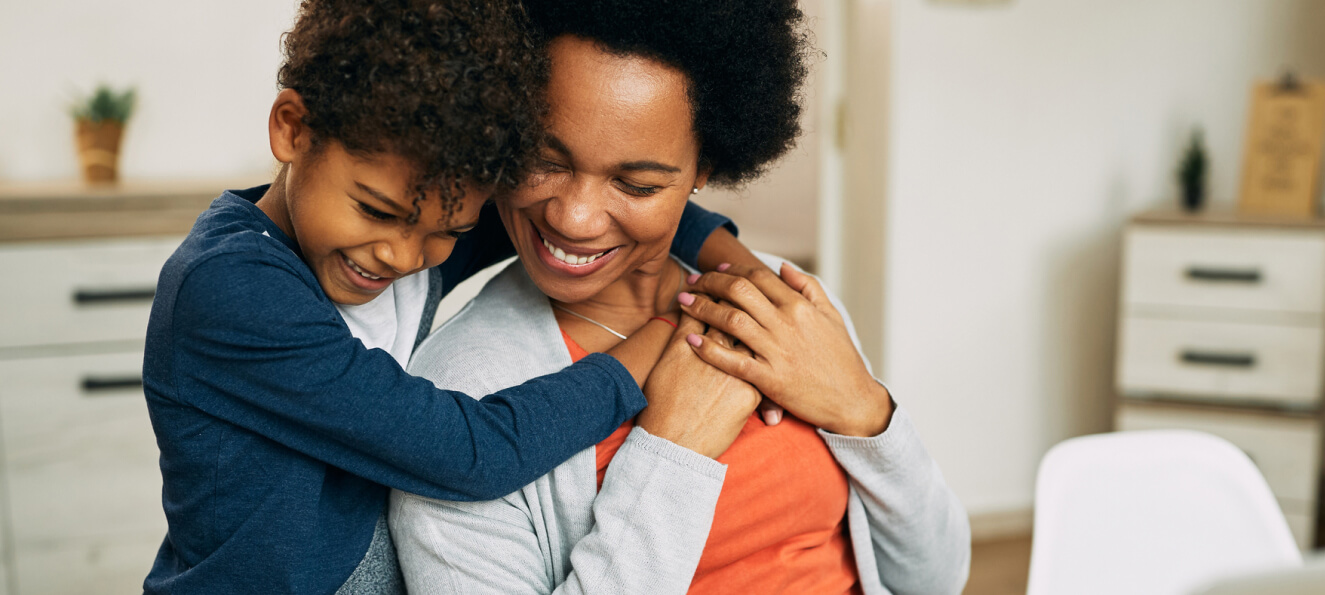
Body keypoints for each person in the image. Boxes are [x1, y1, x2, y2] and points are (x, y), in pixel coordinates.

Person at [140, 0, 768, 592]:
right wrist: (662, 335)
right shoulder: (231, 289)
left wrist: (742, 272)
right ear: (293, 129)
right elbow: (472, 453)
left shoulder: (422, 214)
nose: (403, 257)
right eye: (373, 209)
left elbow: (602, 208)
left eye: (451, 232)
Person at [388, 0, 972, 592]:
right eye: (544, 160)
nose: (576, 217)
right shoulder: (460, 402)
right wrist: (672, 452)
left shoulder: (786, 308)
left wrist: (865, 412)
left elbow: (936, 578)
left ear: (703, 171)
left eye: (636, 184)